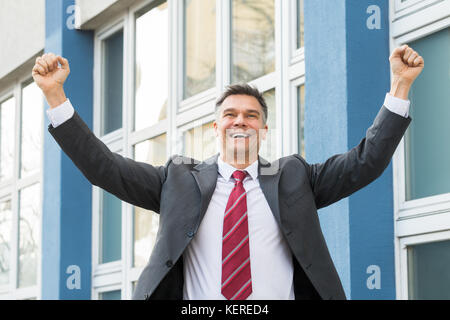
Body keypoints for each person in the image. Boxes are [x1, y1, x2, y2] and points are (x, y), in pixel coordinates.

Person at [32, 45, 424, 300]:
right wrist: (55, 97)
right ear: (215, 128)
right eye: (230, 115)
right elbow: (104, 168)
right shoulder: (177, 179)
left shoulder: (294, 176)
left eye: (251, 115)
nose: (241, 121)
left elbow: (365, 162)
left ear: (263, 129)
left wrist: (399, 87)